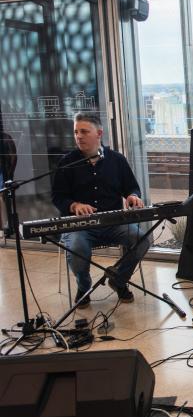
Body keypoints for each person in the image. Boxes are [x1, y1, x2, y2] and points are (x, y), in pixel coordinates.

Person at [51, 112, 149, 309]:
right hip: (80, 225)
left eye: (84, 131)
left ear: (99, 134)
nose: (79, 136)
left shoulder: (116, 160)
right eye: (76, 132)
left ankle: (119, 280)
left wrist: (133, 196)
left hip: (112, 223)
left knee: (141, 240)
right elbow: (58, 197)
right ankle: (84, 286)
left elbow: (132, 187)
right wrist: (75, 205)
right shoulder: (66, 162)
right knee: (77, 247)